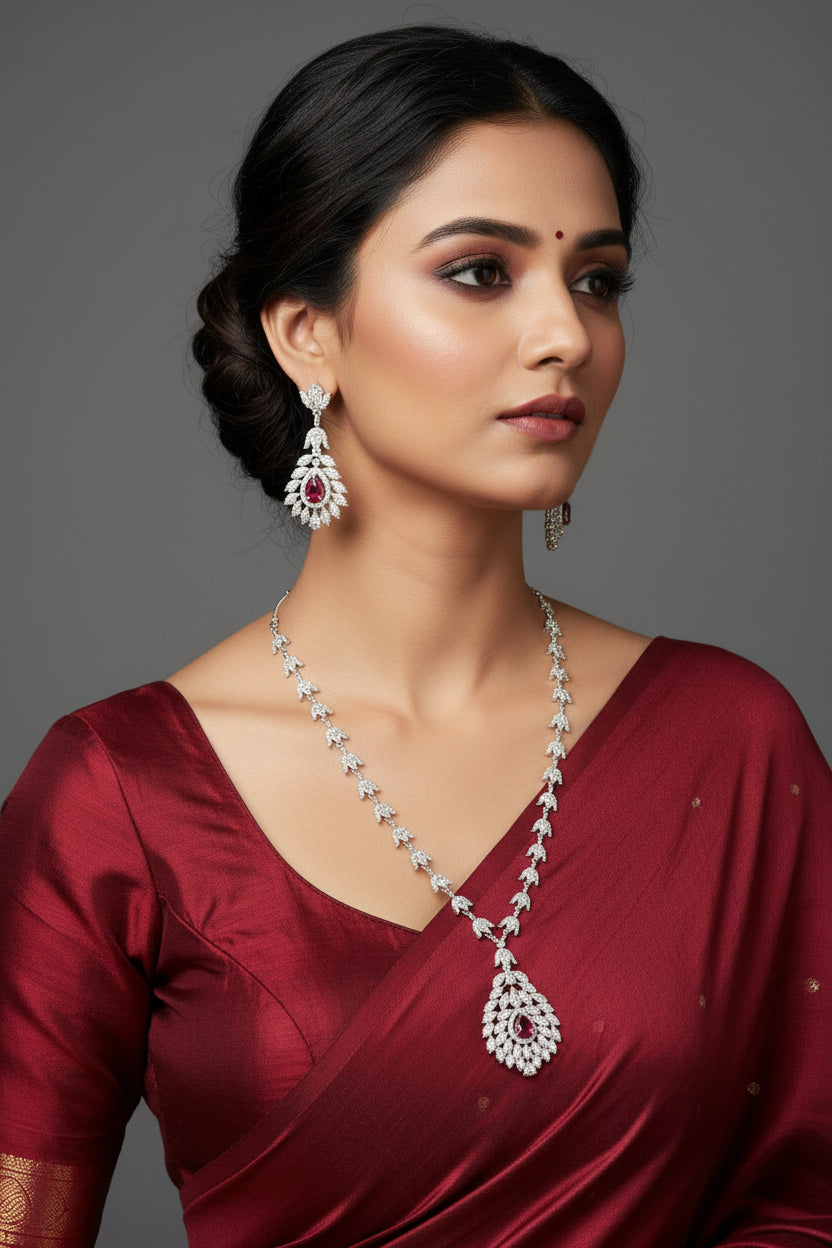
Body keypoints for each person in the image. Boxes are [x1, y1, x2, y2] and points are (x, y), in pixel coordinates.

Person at [1, 22, 830, 1248]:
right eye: (482, 272)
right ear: (306, 333)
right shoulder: (119, 794)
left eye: (596, 280)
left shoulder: (731, 745)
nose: (566, 336)